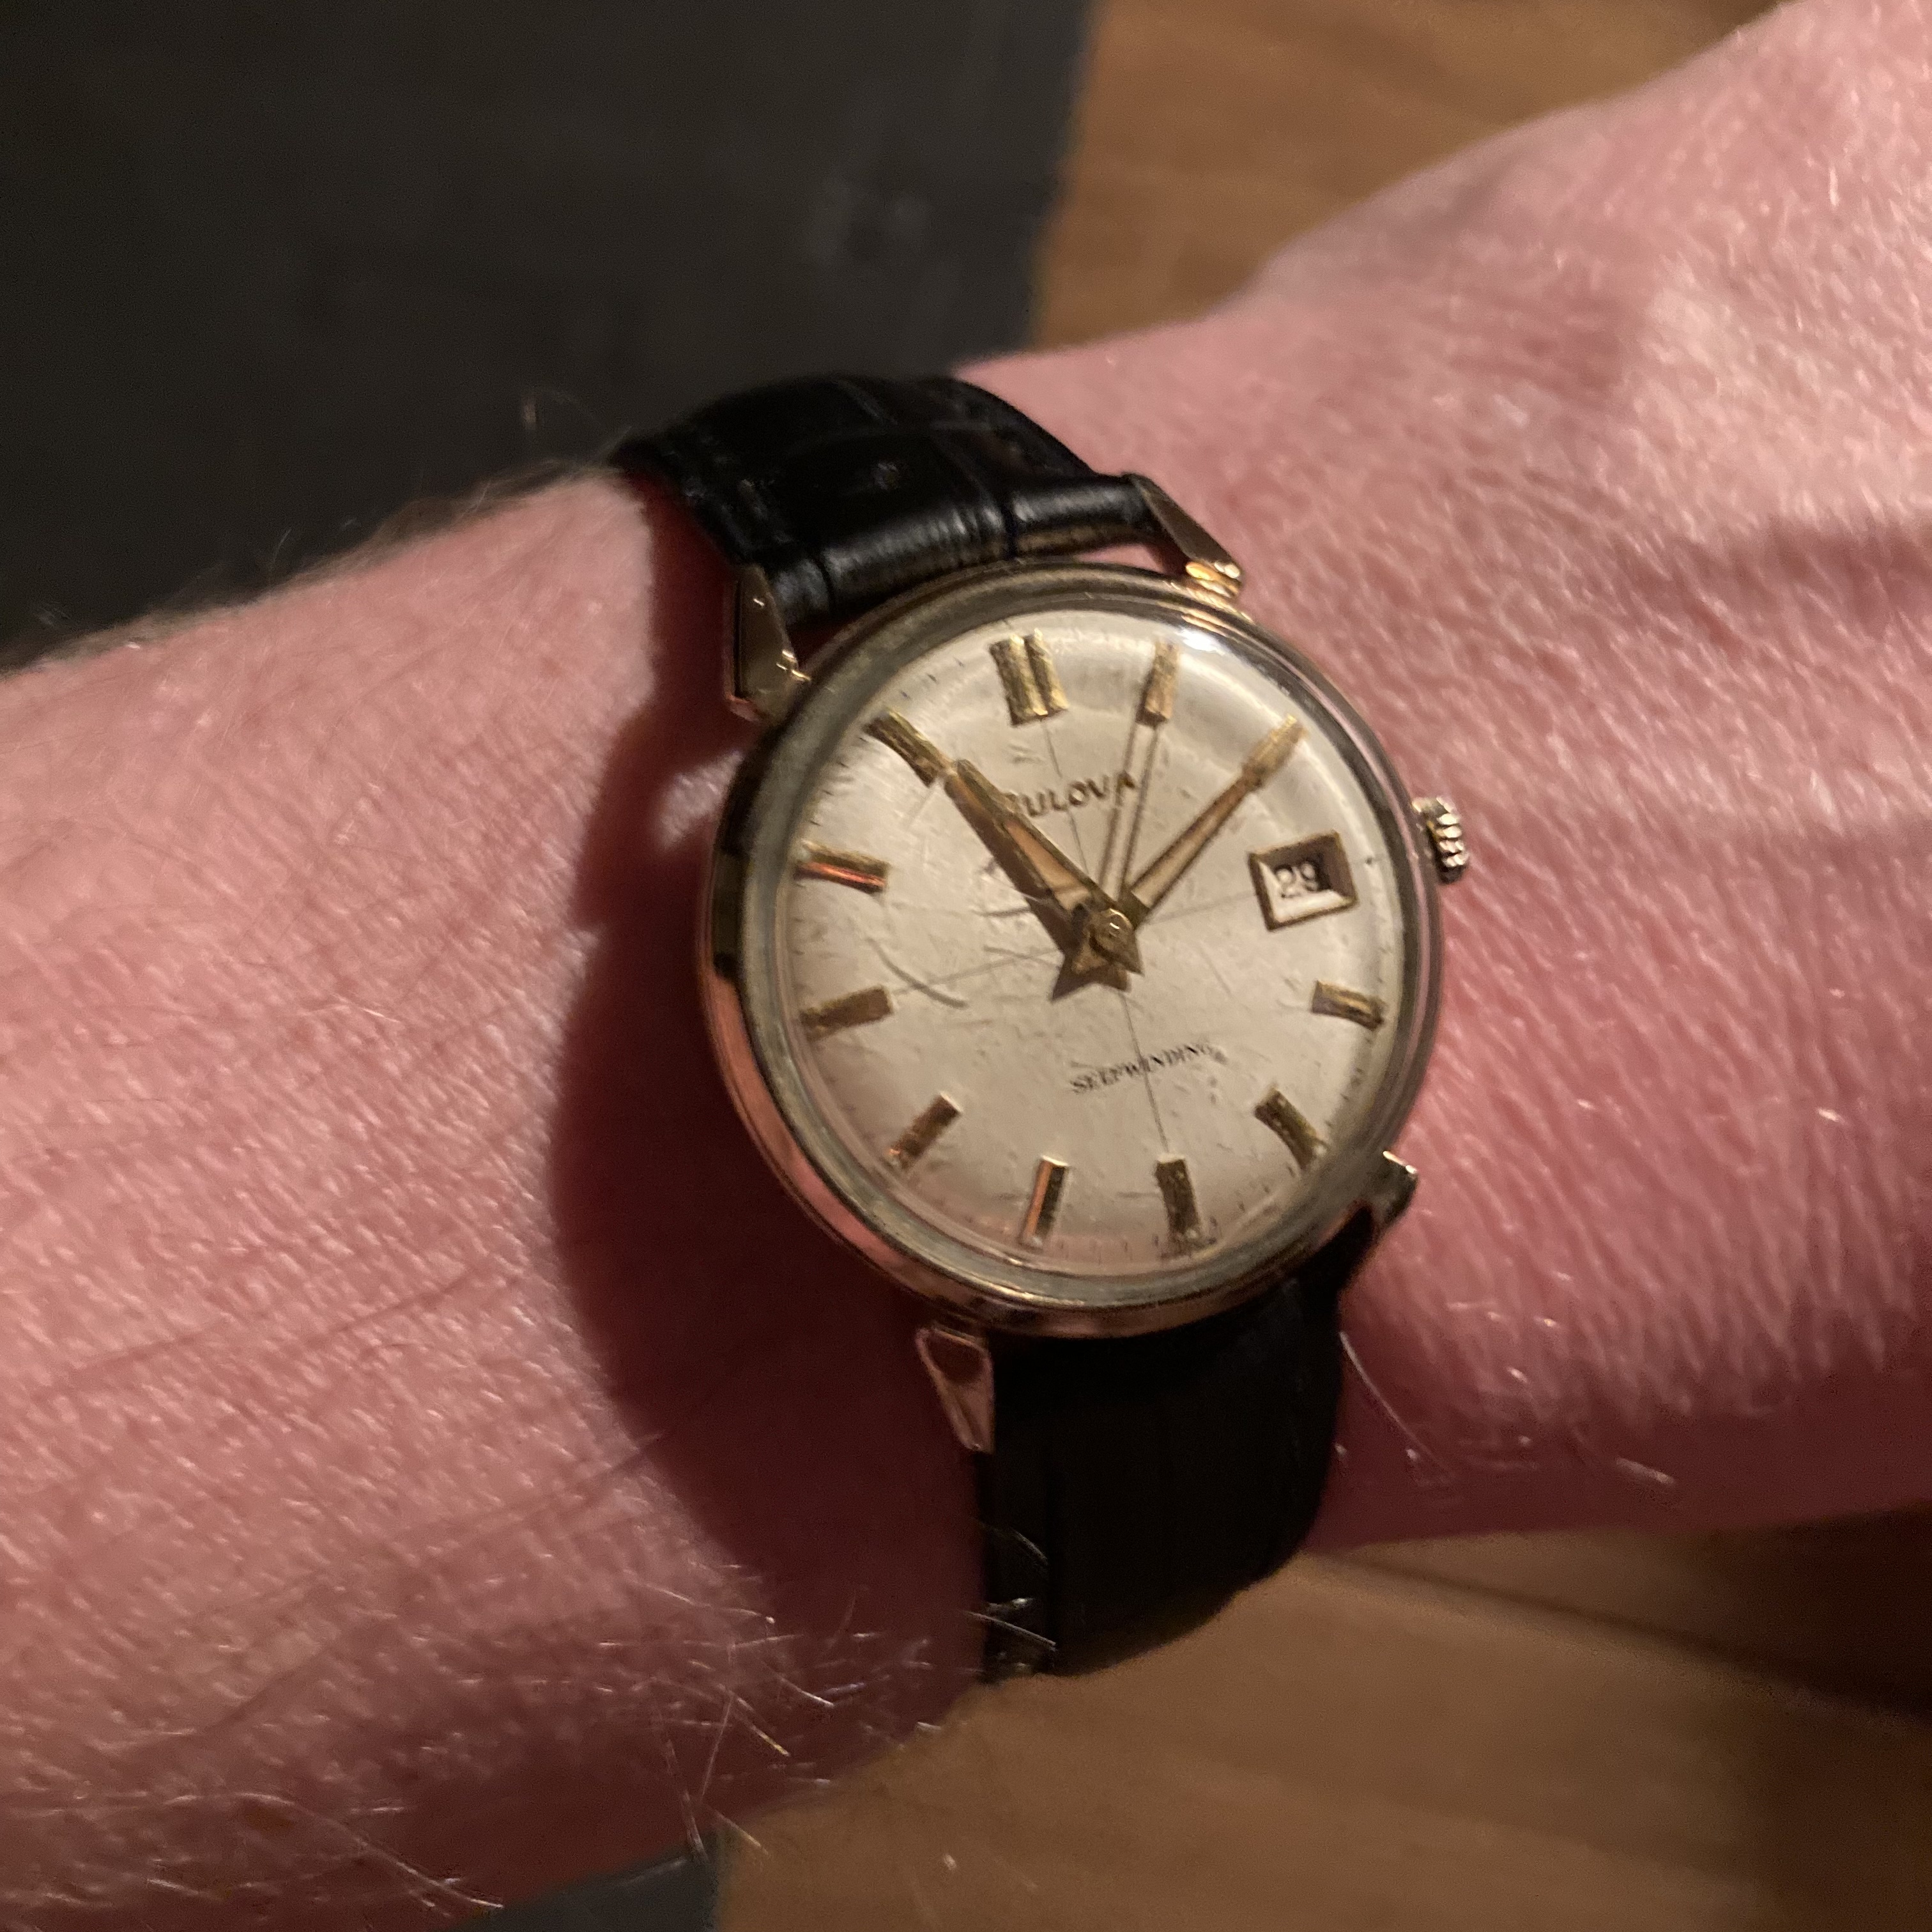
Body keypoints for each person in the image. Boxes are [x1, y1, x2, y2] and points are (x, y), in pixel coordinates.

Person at [1, 0, 1925, 1922]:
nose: (1107, 931)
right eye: (1091, 920)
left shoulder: (1266, 796)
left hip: (1203, 1183)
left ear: (1413, 843)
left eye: (1115, 915)